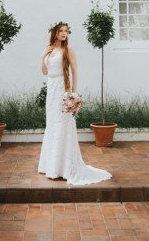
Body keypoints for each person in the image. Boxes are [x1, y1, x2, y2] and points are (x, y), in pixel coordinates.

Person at [38, 21, 112, 185]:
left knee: (63, 125)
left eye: (66, 31)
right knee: (52, 125)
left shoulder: (68, 50)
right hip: (51, 89)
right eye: (61, 31)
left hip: (62, 89)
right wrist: (43, 55)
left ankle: (65, 168)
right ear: (55, 33)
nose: (64, 33)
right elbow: (44, 72)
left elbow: (75, 71)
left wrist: (73, 94)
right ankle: (51, 166)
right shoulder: (49, 49)